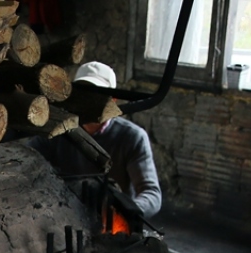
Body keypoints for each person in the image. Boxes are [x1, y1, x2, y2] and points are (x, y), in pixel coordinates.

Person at [25, 61, 162, 219]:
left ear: (114, 99)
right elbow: (26, 164)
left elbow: (151, 193)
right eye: (84, 94)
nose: (89, 101)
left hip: (110, 221)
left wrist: (126, 210)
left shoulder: (132, 137)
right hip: (65, 216)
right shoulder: (57, 131)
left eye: (98, 95)